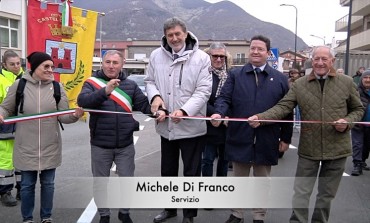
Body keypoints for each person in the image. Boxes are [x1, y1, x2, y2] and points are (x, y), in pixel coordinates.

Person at [248, 46, 364, 223]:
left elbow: (358, 109)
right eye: (316, 59)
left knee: (326, 196)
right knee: (301, 193)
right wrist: (261, 118)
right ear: (312, 61)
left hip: (337, 148)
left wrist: (347, 122)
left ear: (332, 61)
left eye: (324, 59)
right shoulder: (300, 84)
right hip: (309, 147)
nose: (319, 63)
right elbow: (283, 107)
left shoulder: (347, 82)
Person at [210, 35, 293, 223]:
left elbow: (288, 110)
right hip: (240, 135)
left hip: (267, 137)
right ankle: (236, 213)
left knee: (262, 181)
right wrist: (219, 113)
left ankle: (258, 215)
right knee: (239, 179)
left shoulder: (280, 79)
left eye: (260, 49)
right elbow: (224, 98)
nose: (255, 52)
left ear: (268, 52)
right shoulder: (235, 75)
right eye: (252, 48)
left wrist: (286, 139)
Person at [0, 51, 84, 223]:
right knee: (26, 186)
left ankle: (46, 217)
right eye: (46, 66)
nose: (50, 70)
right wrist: (0, 113)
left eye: (52, 67)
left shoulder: (57, 88)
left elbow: (63, 117)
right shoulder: (19, 85)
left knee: (48, 185)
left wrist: (75, 115)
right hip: (25, 146)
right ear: (35, 67)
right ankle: (27, 218)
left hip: (50, 145)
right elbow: (6, 108)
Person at [145, 17, 212, 223]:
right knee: (168, 171)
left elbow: (203, 91)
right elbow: (150, 81)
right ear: (165, 36)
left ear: (186, 33)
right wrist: (156, 98)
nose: (174, 38)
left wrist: (184, 111)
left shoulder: (201, 58)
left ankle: (189, 215)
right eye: (169, 35)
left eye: (177, 34)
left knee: (191, 173)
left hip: (191, 126)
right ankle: (169, 209)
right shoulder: (156, 55)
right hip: (167, 127)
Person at [77, 50, 151, 223]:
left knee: (127, 181)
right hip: (100, 144)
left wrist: (158, 110)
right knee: (101, 183)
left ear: (122, 64)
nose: (111, 66)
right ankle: (104, 215)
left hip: (125, 144)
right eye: (108, 62)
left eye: (115, 63)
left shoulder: (131, 85)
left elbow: (144, 105)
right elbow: (83, 102)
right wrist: (105, 90)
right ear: (102, 63)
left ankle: (124, 212)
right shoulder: (91, 83)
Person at [201, 42, 231, 178]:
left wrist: (225, 116)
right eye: (215, 56)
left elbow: (233, 99)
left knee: (224, 161)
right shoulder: (203, 74)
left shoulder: (231, 75)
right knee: (207, 160)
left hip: (226, 125)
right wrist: (215, 114)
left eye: (222, 56)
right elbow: (200, 99)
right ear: (209, 56)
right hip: (209, 125)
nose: (218, 59)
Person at [0, 50, 23, 206]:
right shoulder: (1, 80)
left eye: (18, 63)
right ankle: (5, 191)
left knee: (23, 159)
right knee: (6, 161)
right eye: (12, 64)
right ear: (4, 65)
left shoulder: (27, 78)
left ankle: (23, 189)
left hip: (24, 127)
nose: (16, 67)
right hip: (5, 128)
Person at [350, 69, 370, 176]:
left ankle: (362, 161)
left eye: (369, 78)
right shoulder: (356, 91)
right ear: (361, 79)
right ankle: (357, 164)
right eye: (365, 78)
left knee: (367, 145)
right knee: (357, 144)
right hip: (358, 123)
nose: (367, 80)